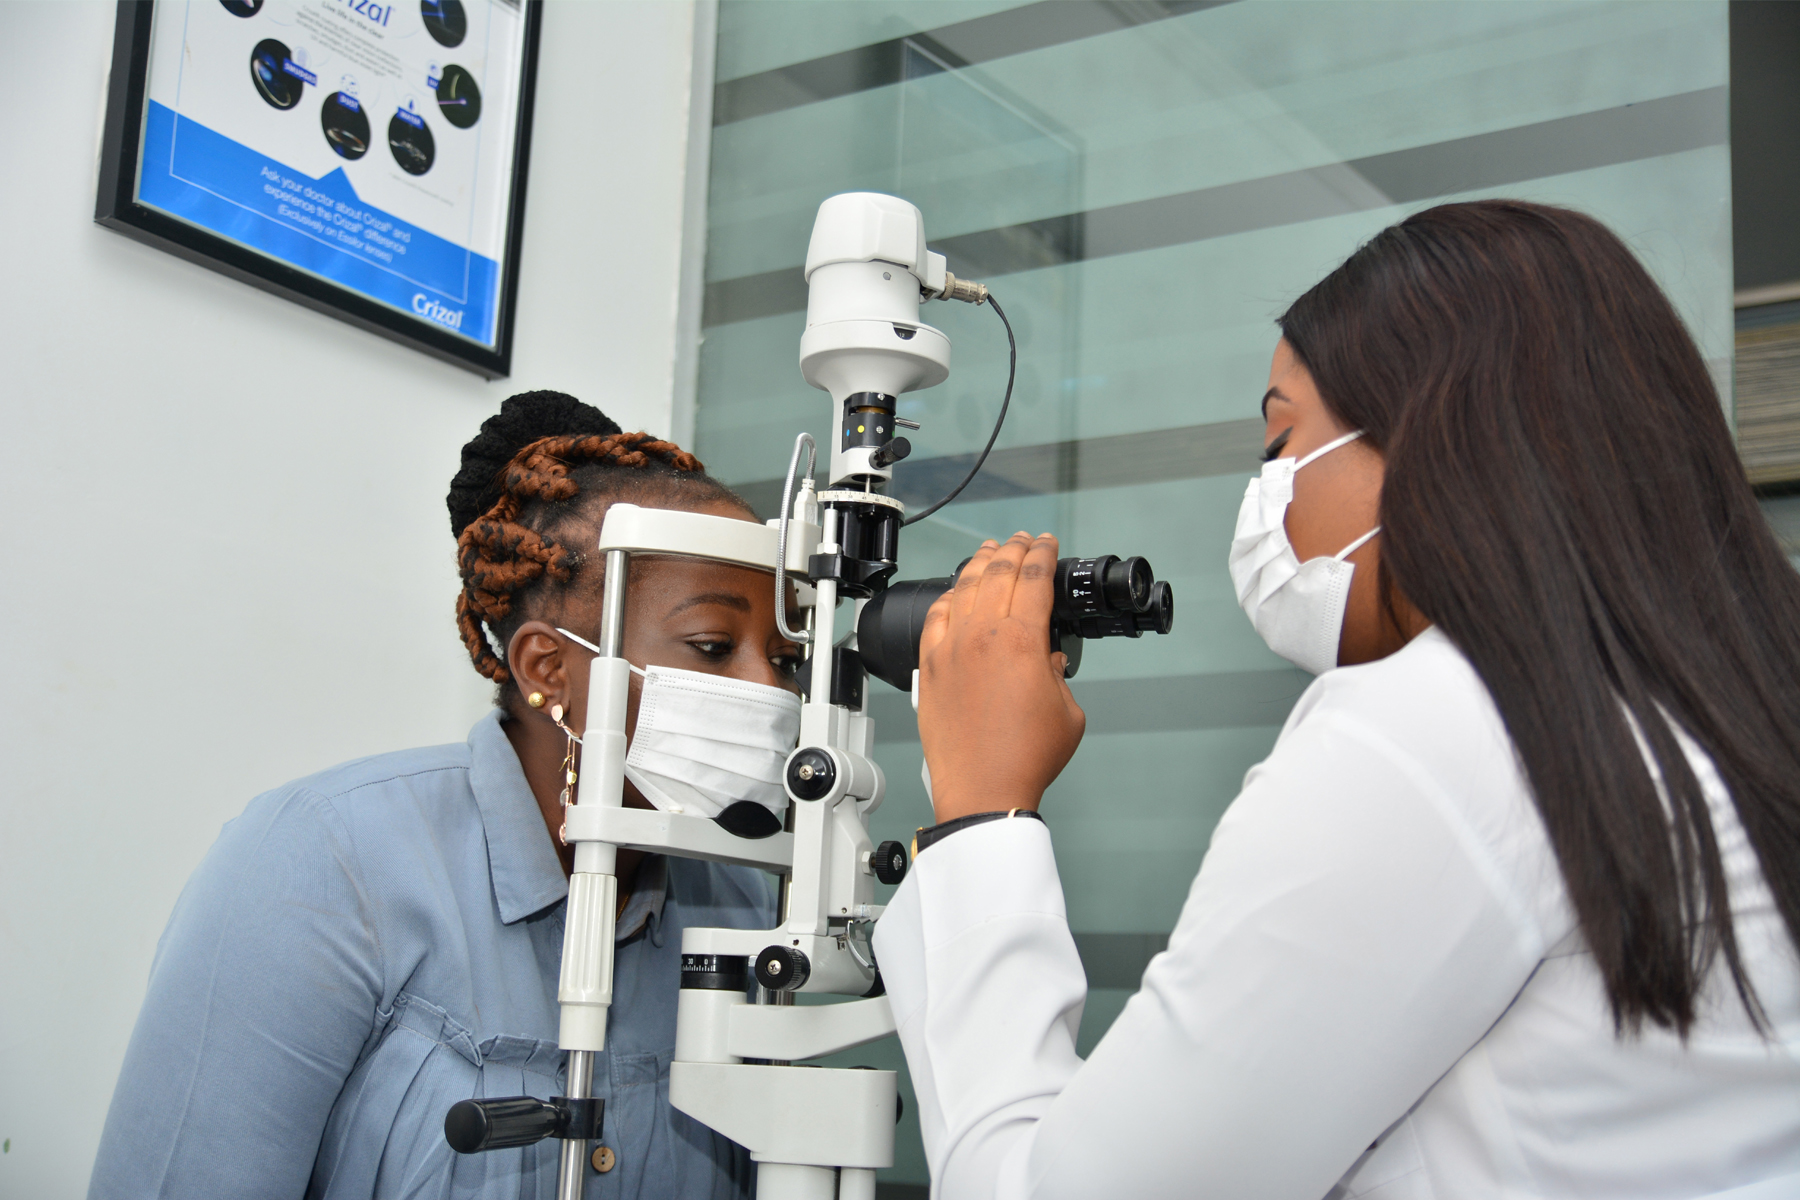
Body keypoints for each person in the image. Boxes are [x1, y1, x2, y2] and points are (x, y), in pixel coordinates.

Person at [873, 201, 1800, 1199]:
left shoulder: (1440, 728)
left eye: (1281, 447)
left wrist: (979, 810)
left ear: (1438, 433)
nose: (1269, 499)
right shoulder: (1718, 717)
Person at [90, 392, 801, 1200]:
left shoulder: (742, 907)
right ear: (547, 670)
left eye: (785, 657)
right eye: (714, 646)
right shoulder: (324, 866)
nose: (767, 689)